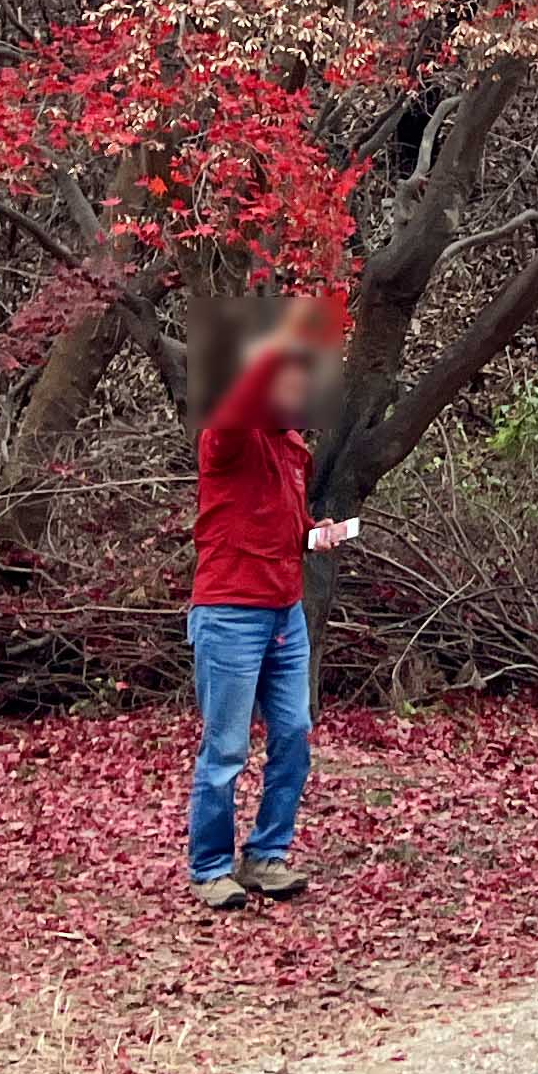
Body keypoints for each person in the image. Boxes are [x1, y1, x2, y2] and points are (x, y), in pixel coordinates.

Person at [185, 292, 354, 911]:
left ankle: (267, 854)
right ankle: (209, 868)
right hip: (230, 611)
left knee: (294, 733)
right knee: (226, 747)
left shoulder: (292, 450)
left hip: (284, 613)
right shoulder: (230, 436)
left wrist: (317, 536)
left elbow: (286, 530)